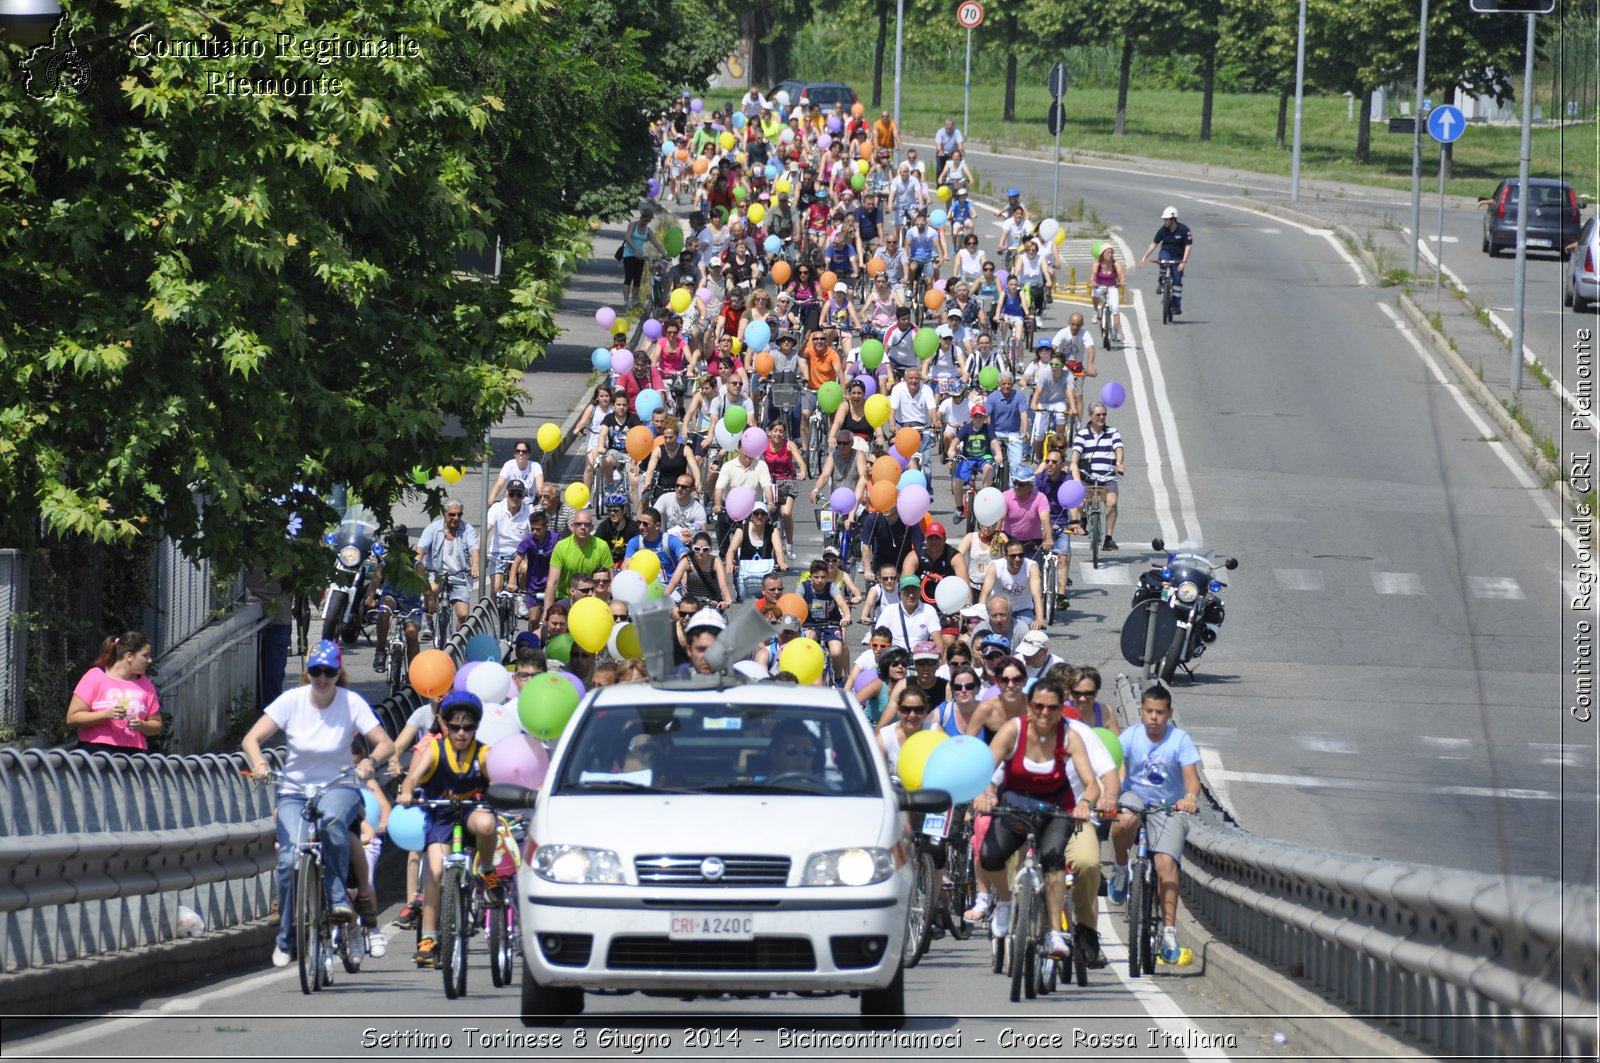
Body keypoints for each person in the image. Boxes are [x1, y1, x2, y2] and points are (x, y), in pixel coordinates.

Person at [242, 640, 393, 968]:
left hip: (339, 785)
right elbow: (251, 739)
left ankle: (340, 901)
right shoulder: (291, 701)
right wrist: (260, 764)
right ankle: (285, 937)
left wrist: (370, 763)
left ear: (339, 672)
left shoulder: (351, 702)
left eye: (329, 672)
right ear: (306, 673)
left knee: (332, 821)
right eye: (315, 672)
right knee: (289, 856)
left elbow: (384, 743)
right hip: (294, 789)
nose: (322, 678)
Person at [971, 677, 1100, 959]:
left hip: (1056, 809)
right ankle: (1005, 900)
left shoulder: (1069, 736)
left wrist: (1086, 803)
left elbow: (1091, 783)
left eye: (1052, 708)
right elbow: (983, 768)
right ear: (1028, 707)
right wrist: (985, 794)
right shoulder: (1013, 730)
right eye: (1039, 706)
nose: (1045, 713)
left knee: (1053, 858)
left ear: (1059, 709)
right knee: (990, 855)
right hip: (1016, 807)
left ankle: (1055, 932)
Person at [396, 690, 499, 968]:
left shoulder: (485, 753)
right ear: (445, 724)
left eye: (468, 727)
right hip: (441, 816)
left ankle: (487, 870)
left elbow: (499, 780)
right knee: (435, 870)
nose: (461, 732)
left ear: (476, 726)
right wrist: (406, 792)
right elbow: (413, 778)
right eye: (455, 726)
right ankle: (428, 938)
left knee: (487, 822)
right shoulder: (434, 749)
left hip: (472, 812)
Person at [1110, 684, 1202, 964]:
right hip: (1135, 796)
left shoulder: (1179, 739)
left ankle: (1169, 932)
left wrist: (1189, 798)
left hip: (1168, 807)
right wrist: (1111, 794)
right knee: (1124, 819)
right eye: (1149, 711)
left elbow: (1191, 778)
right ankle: (1120, 868)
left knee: (1165, 864)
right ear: (1141, 711)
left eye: (1160, 712)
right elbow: (1115, 766)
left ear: (1169, 713)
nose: (1154, 717)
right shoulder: (1131, 736)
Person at [67, 631, 163, 753]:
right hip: (95, 752)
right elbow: (72, 718)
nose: (150, 660)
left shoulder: (146, 685)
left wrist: (142, 725)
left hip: (133, 755)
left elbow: (157, 725)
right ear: (129, 656)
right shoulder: (95, 677)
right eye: (145, 656)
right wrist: (105, 715)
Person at [415, 499, 480, 642]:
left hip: (459, 576)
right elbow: (421, 549)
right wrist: (416, 565)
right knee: (431, 588)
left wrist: (475, 564)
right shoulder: (433, 529)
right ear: (444, 514)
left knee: (463, 615)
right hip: (438, 574)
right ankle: (429, 621)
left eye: (459, 515)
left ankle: (458, 640)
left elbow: (474, 548)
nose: (456, 518)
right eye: (452, 514)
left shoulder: (467, 529)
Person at [1071, 402, 1126, 551]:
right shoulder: (1082, 434)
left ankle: (1108, 538)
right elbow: (1074, 460)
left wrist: (1119, 463)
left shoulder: (1113, 432)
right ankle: (1084, 518)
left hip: (1107, 477)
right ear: (1090, 416)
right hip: (1087, 477)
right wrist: (1077, 480)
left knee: (1112, 502)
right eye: (1098, 415)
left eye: (1104, 415)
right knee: (1079, 503)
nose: (1101, 417)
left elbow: (1118, 448)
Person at [547, 509, 614, 603]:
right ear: (572, 527)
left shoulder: (602, 546)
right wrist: (547, 612)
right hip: (566, 597)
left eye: (587, 524)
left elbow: (610, 580)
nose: (583, 527)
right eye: (578, 524)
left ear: (592, 527)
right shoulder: (561, 547)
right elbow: (552, 582)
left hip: (593, 597)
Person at [980, 538, 1046, 632]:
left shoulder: (1031, 566)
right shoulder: (995, 566)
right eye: (1013, 556)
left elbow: (1037, 596)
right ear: (1005, 556)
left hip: (1023, 610)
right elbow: (985, 594)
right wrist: (981, 615)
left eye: (1021, 555)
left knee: (1027, 633)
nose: (1017, 559)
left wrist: (1039, 619)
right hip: (1000, 610)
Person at [1138, 205, 1193, 315]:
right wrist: (1144, 257)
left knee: (1177, 280)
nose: (1165, 222)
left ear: (1173, 219)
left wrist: (1183, 261)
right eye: (1164, 219)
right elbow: (1154, 243)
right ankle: (1161, 281)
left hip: (1178, 257)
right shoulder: (1162, 230)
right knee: (1163, 260)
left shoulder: (1184, 230)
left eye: (1167, 220)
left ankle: (1176, 305)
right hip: (1166, 252)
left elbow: (1188, 246)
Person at [484, 480, 531, 597]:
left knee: (525, 569)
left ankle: (522, 597)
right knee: (496, 589)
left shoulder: (529, 510)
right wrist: (479, 555)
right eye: (512, 494)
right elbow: (486, 530)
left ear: (523, 496)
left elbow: (532, 535)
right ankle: (494, 613)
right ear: (506, 494)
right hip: (498, 552)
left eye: (519, 495)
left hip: (520, 553)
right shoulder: (497, 508)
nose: (515, 498)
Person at [666, 530, 733, 608]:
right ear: (692, 547)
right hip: (692, 604)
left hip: (712, 603)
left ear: (710, 548)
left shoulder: (715, 561)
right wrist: (664, 598)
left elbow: (723, 585)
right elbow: (673, 583)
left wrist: (728, 600)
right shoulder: (686, 561)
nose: (701, 552)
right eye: (697, 549)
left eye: (705, 549)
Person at [877, 685, 935, 772]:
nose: (912, 715)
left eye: (918, 709)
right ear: (898, 710)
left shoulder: (934, 732)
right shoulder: (885, 737)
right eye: (906, 709)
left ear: (925, 711)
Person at [620, 208, 668, 308]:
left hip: (640, 256)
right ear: (643, 217)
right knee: (629, 277)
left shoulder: (647, 230)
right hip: (629, 254)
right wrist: (635, 249)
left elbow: (656, 243)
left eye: (649, 221)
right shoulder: (633, 225)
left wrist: (664, 254)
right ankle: (626, 301)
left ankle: (635, 300)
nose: (647, 223)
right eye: (646, 220)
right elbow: (627, 237)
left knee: (637, 278)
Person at [654, 474, 708, 544]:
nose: (679, 489)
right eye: (677, 485)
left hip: (688, 545)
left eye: (684, 487)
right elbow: (653, 517)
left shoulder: (698, 508)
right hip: (665, 543)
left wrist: (686, 540)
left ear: (692, 489)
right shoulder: (665, 498)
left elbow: (703, 537)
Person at [1090, 244, 1126, 345]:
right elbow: (1093, 275)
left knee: (1115, 309)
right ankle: (1095, 311)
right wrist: (1093, 282)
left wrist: (1122, 281)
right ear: (1102, 254)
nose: (1110, 255)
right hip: (1099, 286)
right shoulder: (1097, 264)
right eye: (1107, 253)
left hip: (1112, 287)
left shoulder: (1115, 264)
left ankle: (1117, 332)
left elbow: (1120, 273)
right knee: (1095, 293)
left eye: (1111, 253)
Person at [488, 440, 543, 505]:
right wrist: (491, 498)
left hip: (528, 503)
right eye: (518, 451)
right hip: (511, 502)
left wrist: (541, 499)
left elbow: (540, 486)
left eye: (524, 451)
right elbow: (499, 484)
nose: (521, 453)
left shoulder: (535, 466)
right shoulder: (509, 465)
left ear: (529, 454)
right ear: (514, 454)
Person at [1051, 311, 1097, 379]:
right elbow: (1053, 348)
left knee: (1077, 389)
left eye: (1078, 325)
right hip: (1061, 367)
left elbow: (1091, 348)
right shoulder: (1062, 333)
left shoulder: (1085, 334)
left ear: (1082, 324)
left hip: (1077, 368)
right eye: (1072, 324)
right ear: (1069, 322)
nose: (1075, 327)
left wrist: (1090, 365)